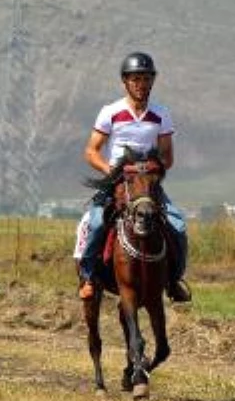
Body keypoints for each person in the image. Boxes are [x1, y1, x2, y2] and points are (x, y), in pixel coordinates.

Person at [75, 51, 191, 303]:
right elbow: (91, 151)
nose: (141, 84)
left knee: (179, 225)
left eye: (147, 79)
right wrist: (112, 172)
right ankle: (88, 277)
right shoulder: (111, 112)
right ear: (125, 81)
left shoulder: (161, 114)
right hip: (118, 182)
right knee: (94, 223)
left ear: (152, 81)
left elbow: (167, 157)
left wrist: (154, 172)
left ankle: (174, 281)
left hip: (147, 185)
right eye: (136, 79)